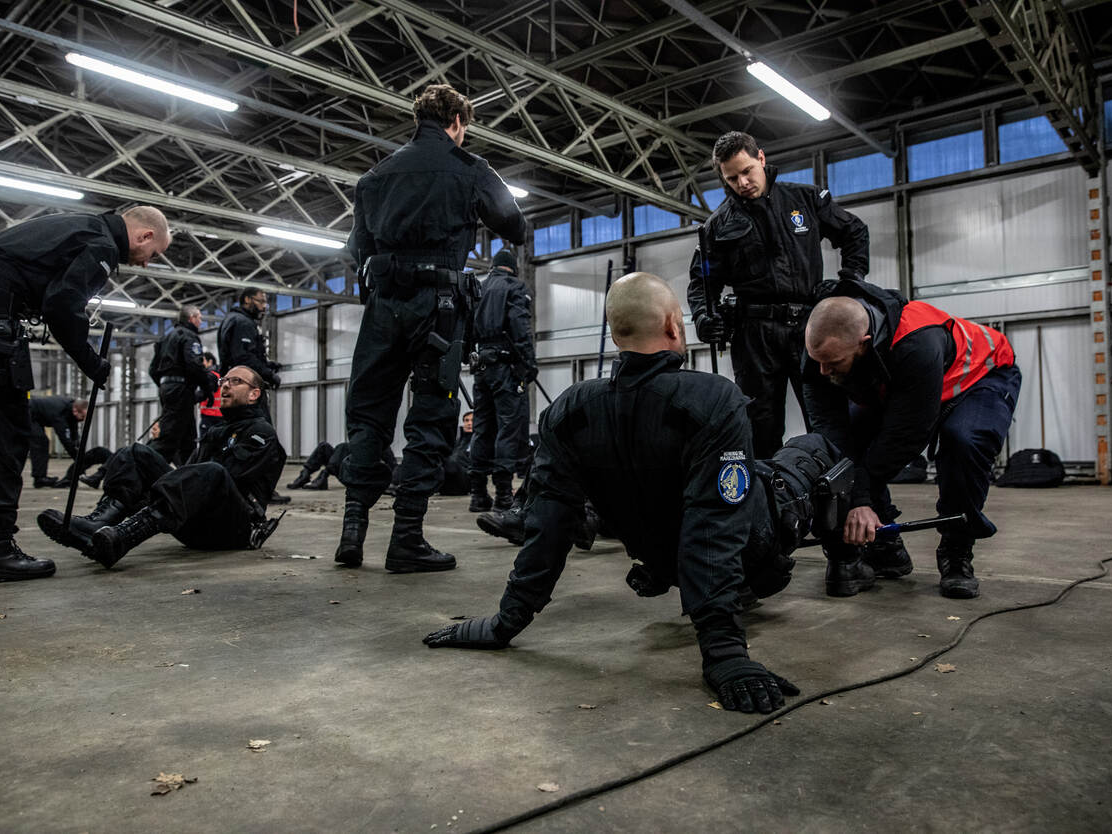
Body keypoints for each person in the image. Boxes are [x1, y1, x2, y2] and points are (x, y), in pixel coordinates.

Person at [425, 272, 834, 715]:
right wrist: (726, 653)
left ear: (615, 333)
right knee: (813, 448)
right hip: (755, 551)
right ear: (673, 325)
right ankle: (854, 560)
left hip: (661, 560)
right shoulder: (714, 397)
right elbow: (714, 527)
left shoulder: (570, 410)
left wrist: (505, 622)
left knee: (750, 472)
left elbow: (547, 528)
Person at [0, 206, 170, 584]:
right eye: (154, 254)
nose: (147, 263)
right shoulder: (101, 243)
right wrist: (92, 363)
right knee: (2, 432)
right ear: (145, 235)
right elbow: (62, 304)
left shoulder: (75, 226)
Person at [337, 82, 526, 573]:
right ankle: (406, 539)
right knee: (430, 417)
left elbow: (357, 249)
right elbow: (515, 226)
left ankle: (352, 531)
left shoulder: (375, 175)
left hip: (383, 306)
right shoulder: (470, 167)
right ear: (457, 123)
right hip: (437, 308)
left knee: (368, 413)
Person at [802, 280, 1021, 599]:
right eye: (817, 360)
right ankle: (884, 545)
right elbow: (830, 431)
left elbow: (905, 437)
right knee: (851, 440)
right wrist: (858, 500)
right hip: (906, 381)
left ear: (863, 343)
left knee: (962, 441)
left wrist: (860, 498)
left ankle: (956, 552)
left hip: (979, 375)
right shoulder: (822, 346)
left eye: (833, 364)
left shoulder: (916, 342)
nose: (822, 371)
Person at [688, 131, 869, 459]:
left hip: (810, 328)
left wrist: (849, 284)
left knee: (827, 418)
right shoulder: (718, 226)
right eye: (732, 178)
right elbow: (702, 283)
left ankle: (840, 487)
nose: (743, 183)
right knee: (760, 426)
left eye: (747, 171)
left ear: (761, 157)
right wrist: (703, 316)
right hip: (754, 336)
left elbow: (854, 231)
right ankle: (767, 490)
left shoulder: (805, 199)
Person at [37, 365, 287, 568]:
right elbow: (187, 474)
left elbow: (225, 479)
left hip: (232, 529)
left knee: (213, 471)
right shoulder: (216, 432)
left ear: (254, 394)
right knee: (135, 453)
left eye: (235, 381)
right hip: (196, 524)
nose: (225, 385)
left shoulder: (262, 433)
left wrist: (159, 493)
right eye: (223, 381)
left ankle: (125, 536)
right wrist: (145, 488)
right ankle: (99, 524)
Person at [468, 249, 536, 512]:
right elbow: (520, 326)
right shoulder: (515, 287)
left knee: (482, 427)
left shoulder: (479, 288)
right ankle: (504, 495)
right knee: (508, 427)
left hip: (481, 365)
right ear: (513, 268)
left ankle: (477, 494)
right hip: (506, 366)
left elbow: (467, 326)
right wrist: (529, 363)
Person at [218, 288, 288, 504]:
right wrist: (268, 374)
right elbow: (244, 358)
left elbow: (238, 356)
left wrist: (268, 365)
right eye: (261, 301)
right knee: (266, 441)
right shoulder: (243, 323)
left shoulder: (231, 320)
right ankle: (260, 491)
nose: (264, 306)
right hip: (246, 390)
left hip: (235, 389)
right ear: (247, 299)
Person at [149, 305, 215, 465]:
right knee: (168, 440)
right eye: (199, 318)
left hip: (169, 389)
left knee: (187, 438)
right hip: (181, 391)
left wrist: (166, 385)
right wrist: (207, 389)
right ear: (192, 318)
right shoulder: (188, 336)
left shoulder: (165, 339)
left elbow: (152, 369)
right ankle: (140, 467)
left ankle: (188, 473)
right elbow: (195, 365)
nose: (201, 322)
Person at [28, 396, 87, 488]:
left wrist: (80, 461)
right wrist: (79, 461)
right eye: (82, 416)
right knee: (40, 442)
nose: (83, 420)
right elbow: (66, 440)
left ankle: (40, 478)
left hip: (36, 416)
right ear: (75, 411)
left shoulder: (71, 410)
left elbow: (74, 437)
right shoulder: (60, 413)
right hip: (28, 413)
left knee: (41, 441)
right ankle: (39, 479)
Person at [441, 410, 473, 497]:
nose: (469, 423)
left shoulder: (480, 442)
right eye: (466, 420)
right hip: (450, 479)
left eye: (472, 420)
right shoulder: (458, 441)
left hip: (466, 479)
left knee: (450, 462)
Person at [198, 351, 223, 436]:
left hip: (209, 415)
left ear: (210, 361)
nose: (201, 363)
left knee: (205, 441)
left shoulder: (210, 375)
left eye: (203, 360)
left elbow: (204, 392)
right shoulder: (219, 375)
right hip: (219, 415)